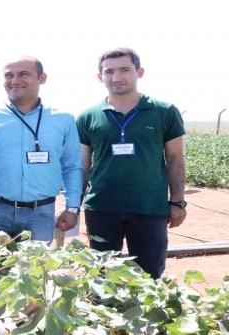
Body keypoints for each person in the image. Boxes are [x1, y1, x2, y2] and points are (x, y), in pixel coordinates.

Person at [76, 47, 187, 279]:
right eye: (109, 72)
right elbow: (82, 165)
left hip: (149, 208)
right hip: (101, 208)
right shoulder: (88, 116)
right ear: (100, 77)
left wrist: (177, 201)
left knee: (150, 274)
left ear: (139, 72)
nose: (117, 77)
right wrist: (72, 206)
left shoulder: (164, 111)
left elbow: (175, 158)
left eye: (125, 70)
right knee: (101, 275)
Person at [0, 56, 83, 243]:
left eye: (23, 74)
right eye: (8, 75)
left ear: (42, 78)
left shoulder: (63, 120)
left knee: (33, 270)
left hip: (41, 214)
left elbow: (72, 166)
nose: (14, 80)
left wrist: (72, 207)